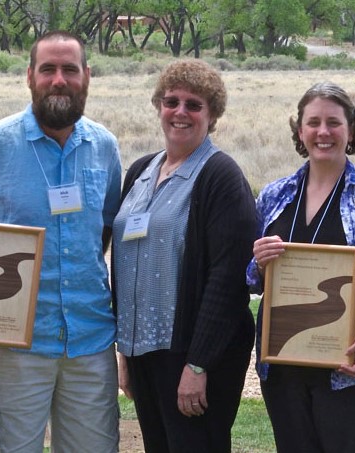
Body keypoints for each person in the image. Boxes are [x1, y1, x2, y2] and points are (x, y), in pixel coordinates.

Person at [0, 31, 121, 452]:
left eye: (69, 70)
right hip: (15, 347)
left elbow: (105, 231)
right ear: (29, 76)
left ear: (87, 77)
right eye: (48, 69)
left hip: (90, 344)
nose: (59, 80)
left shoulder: (104, 148)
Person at [248, 82, 355, 452]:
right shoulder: (274, 195)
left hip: (354, 368)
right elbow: (252, 279)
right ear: (299, 131)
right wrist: (257, 262)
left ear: (351, 130)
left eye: (334, 123)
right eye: (313, 122)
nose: (323, 132)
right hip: (284, 367)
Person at [112, 59, 257, 453]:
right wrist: (126, 352)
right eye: (171, 101)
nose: (180, 112)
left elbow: (228, 281)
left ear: (212, 115)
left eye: (194, 105)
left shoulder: (220, 177)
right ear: (158, 105)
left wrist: (198, 365)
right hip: (145, 353)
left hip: (193, 358)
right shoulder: (141, 171)